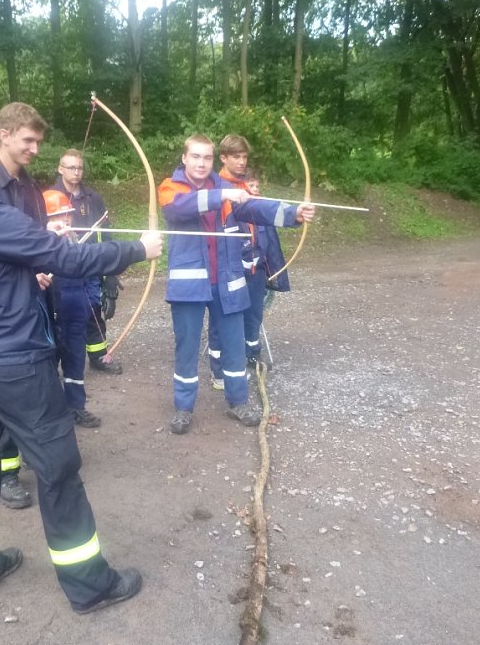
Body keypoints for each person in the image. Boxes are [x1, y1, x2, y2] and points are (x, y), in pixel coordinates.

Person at [0, 114, 163, 611]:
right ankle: (90, 585)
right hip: (14, 362)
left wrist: (25, 273)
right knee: (59, 468)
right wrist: (137, 250)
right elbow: (66, 257)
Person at [157, 134, 314, 435]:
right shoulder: (171, 187)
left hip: (227, 280)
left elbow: (257, 210)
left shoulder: (226, 188)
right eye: (196, 157)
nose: (202, 163)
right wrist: (222, 196)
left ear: (213, 160)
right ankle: (183, 407)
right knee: (186, 347)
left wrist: (294, 213)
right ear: (184, 158)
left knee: (233, 345)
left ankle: (237, 401)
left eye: (207, 158)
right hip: (189, 285)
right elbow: (178, 209)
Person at [0, 102, 51, 508]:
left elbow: (33, 240)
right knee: (3, 390)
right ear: (3, 135)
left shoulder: (29, 186)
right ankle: (6, 472)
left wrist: (42, 264)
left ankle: (36, 456)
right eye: (28, 140)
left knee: (36, 380)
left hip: (32, 300)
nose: (35, 149)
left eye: (38, 141)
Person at [208, 136, 294, 384]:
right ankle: (219, 369)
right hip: (228, 267)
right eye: (236, 157)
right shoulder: (215, 187)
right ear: (223, 157)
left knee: (253, 314)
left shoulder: (246, 187)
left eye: (245, 157)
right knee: (222, 318)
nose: (242, 162)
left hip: (254, 266)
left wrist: (293, 214)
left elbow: (262, 215)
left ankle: (251, 356)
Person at [52, 149, 122, 375]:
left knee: (94, 309)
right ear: (60, 169)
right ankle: (54, 364)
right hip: (62, 266)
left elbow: (105, 232)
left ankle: (99, 355)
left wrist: (110, 272)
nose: (76, 172)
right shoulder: (51, 196)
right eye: (71, 167)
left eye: (80, 167)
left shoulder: (93, 198)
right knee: (61, 315)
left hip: (90, 263)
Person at [42, 189, 100, 428]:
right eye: (56, 217)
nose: (63, 220)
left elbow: (90, 269)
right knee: (48, 363)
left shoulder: (75, 239)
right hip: (53, 313)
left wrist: (95, 298)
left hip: (77, 309)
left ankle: (76, 406)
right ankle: (51, 412)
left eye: (67, 215)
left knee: (76, 359)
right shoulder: (40, 244)